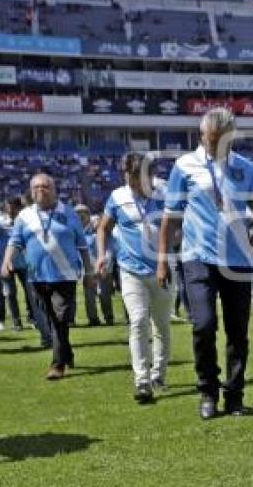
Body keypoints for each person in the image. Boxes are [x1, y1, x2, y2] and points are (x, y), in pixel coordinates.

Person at [158, 108, 253, 419]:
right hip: (198, 257)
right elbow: (170, 218)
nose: (218, 145)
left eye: (224, 139)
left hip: (238, 260)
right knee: (204, 324)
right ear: (202, 136)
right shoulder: (185, 166)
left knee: (238, 331)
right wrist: (162, 260)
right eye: (212, 139)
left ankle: (234, 395)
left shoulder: (245, 167)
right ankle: (207, 390)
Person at [0, 174, 94, 379]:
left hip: (65, 276)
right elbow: (15, 242)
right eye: (36, 187)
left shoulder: (69, 214)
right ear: (31, 191)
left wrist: (89, 272)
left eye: (45, 186)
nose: (40, 190)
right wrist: (7, 261)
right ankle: (66, 352)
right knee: (51, 320)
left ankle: (57, 365)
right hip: (36, 277)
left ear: (54, 189)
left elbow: (83, 247)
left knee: (59, 317)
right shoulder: (24, 216)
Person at [98, 152, 172, 403]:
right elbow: (103, 227)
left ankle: (158, 375)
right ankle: (142, 381)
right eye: (130, 178)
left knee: (161, 325)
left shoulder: (165, 192)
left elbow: (174, 227)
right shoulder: (117, 197)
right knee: (138, 321)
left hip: (163, 269)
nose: (134, 183)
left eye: (138, 178)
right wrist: (101, 255)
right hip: (130, 270)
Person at [0, 196, 49, 342]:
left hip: (25, 263)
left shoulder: (26, 220)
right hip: (6, 263)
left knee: (31, 294)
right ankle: (16, 322)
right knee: (10, 294)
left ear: (16, 207)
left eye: (11, 206)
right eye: (7, 206)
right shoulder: (1, 221)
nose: (8, 209)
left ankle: (33, 319)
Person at [76, 205, 115, 326]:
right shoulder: (77, 231)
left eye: (82, 213)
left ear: (88, 214)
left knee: (104, 295)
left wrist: (106, 264)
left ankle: (108, 318)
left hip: (103, 267)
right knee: (89, 296)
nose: (80, 216)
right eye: (77, 214)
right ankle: (93, 319)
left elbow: (109, 247)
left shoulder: (99, 227)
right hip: (87, 269)